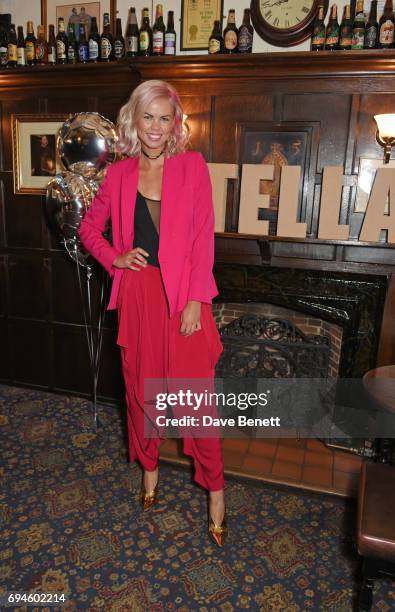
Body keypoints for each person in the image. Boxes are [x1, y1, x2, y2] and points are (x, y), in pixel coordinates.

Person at [78, 80, 227, 547]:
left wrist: (195, 302)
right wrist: (115, 257)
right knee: (143, 393)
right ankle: (149, 475)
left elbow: (204, 240)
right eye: (148, 117)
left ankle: (217, 493)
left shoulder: (192, 167)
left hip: (183, 296)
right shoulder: (118, 175)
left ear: (175, 123)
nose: (156, 128)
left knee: (194, 402)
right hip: (140, 298)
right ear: (133, 121)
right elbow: (88, 230)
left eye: (165, 118)